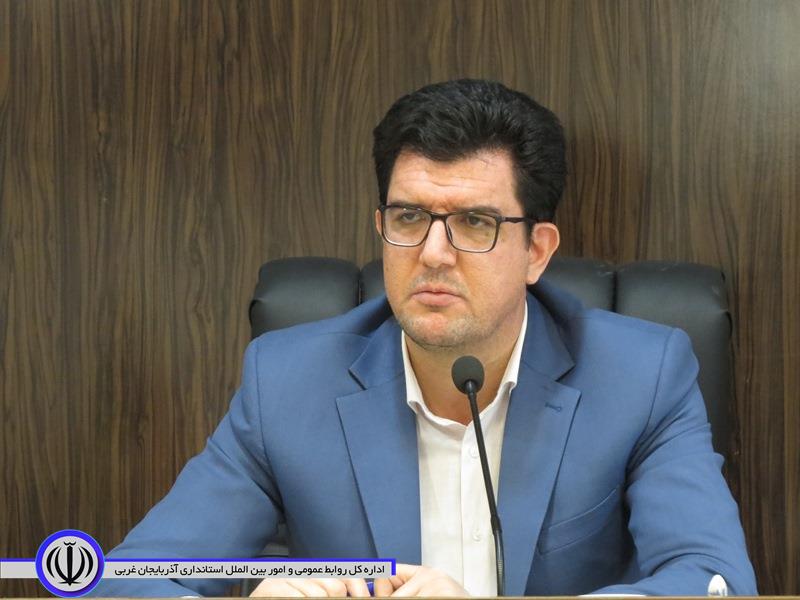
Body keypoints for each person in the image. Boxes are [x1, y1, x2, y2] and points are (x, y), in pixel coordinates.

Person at [93, 79, 757, 597]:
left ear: (537, 251)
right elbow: (129, 579)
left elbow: (712, 579)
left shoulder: (641, 377)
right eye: (409, 216)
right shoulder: (288, 384)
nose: (434, 253)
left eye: (474, 223)